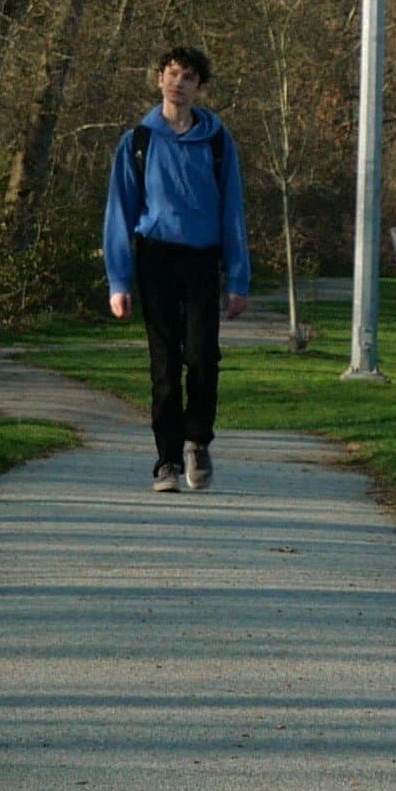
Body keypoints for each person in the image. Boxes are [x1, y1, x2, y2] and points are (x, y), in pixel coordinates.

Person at [102, 45, 253, 493]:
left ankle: (196, 442)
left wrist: (238, 278)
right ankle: (166, 460)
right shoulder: (139, 142)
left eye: (188, 77)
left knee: (203, 357)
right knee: (165, 365)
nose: (178, 83)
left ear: (198, 88)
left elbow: (233, 213)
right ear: (159, 79)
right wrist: (119, 280)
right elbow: (120, 212)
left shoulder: (217, 142)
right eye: (172, 74)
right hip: (156, 257)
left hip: (202, 258)